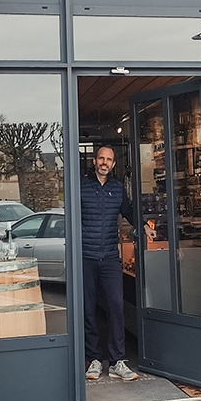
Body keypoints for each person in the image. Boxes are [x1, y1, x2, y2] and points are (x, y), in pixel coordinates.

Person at [81, 144, 139, 381]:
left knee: (116, 306)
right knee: (88, 308)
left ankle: (117, 361)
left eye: (109, 160)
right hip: (86, 256)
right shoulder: (82, 186)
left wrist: (143, 225)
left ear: (113, 164)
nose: (105, 162)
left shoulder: (116, 188)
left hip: (110, 260)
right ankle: (94, 359)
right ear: (95, 161)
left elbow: (128, 211)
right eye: (101, 158)